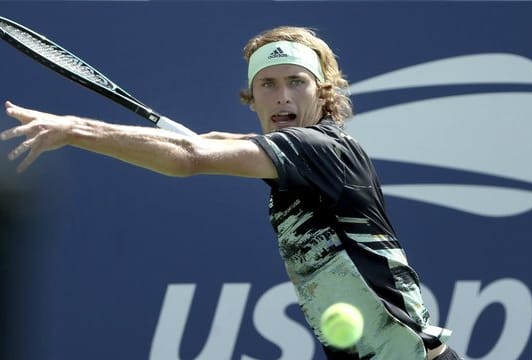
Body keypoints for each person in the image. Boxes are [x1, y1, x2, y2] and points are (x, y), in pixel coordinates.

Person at [1, 26, 462, 359]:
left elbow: (188, 156)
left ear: (322, 94)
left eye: (296, 82)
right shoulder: (291, 156)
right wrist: (202, 144)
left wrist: (75, 130)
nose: (282, 96)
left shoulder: (320, 148)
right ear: (253, 97)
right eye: (268, 84)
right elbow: (212, 143)